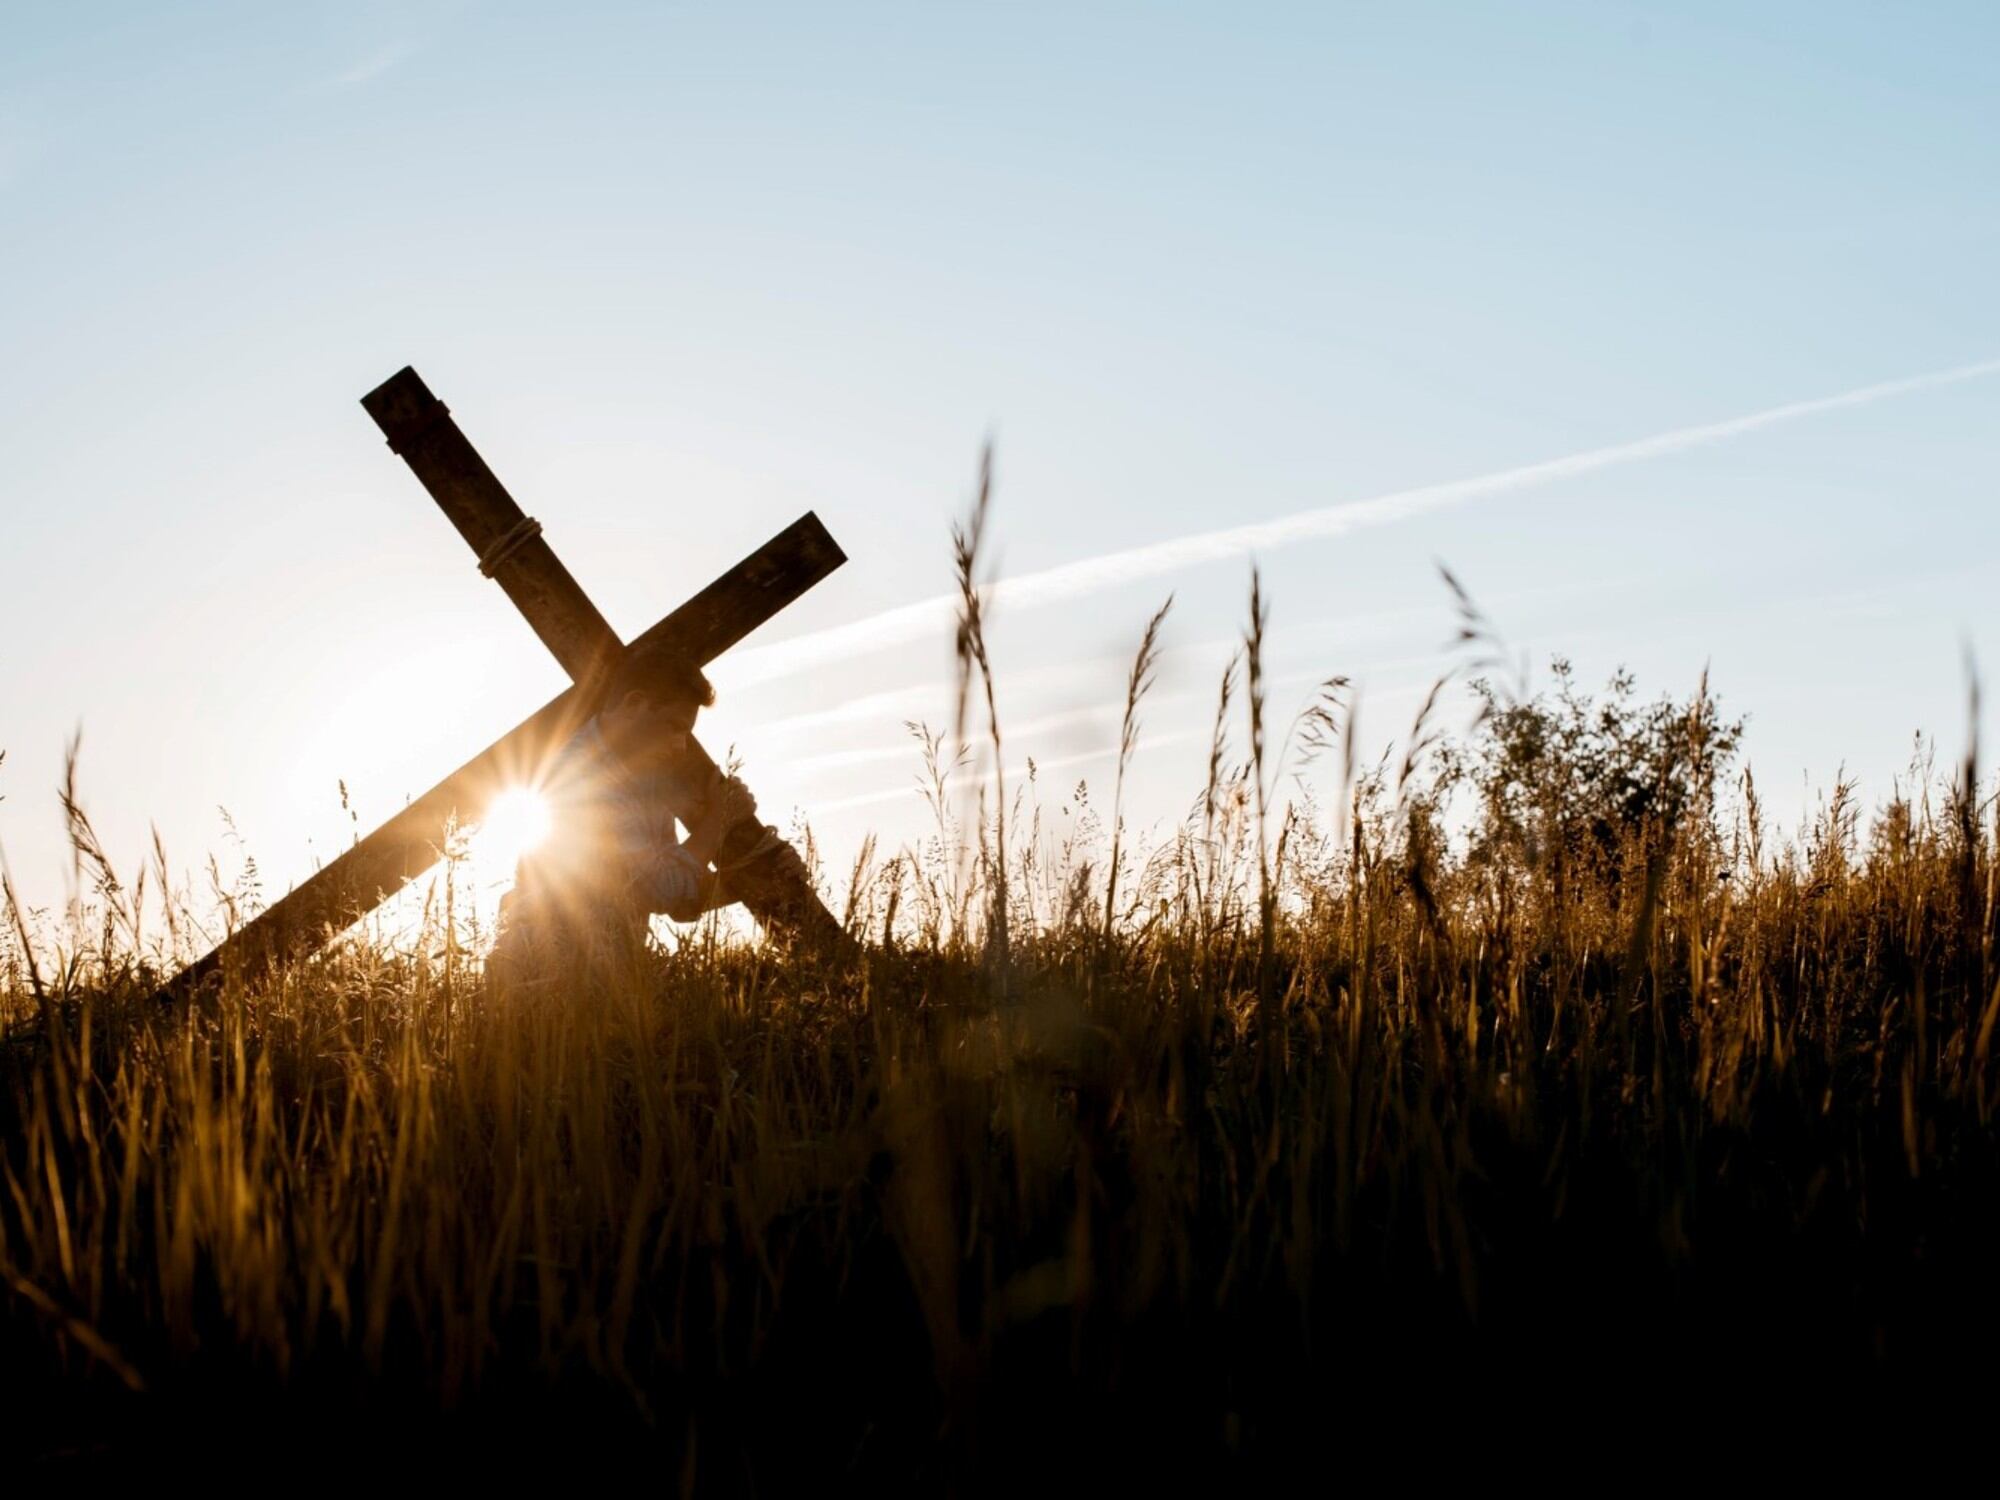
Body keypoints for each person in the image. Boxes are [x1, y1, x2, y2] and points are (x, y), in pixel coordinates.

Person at [486, 641, 764, 988]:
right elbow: (665, 888)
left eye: (687, 732)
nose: (681, 745)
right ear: (634, 703)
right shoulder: (581, 779)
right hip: (545, 988)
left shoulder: (644, 779)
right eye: (674, 726)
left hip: (601, 984)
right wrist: (719, 820)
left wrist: (757, 879)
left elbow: (671, 898)